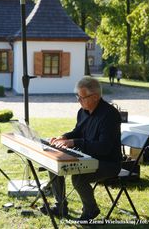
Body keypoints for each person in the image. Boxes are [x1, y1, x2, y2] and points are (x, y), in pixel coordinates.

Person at [44, 77, 122, 221]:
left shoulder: (110, 115)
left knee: (79, 177)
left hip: (108, 163)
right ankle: (60, 206)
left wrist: (75, 142)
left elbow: (104, 147)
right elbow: (78, 131)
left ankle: (91, 210)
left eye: (82, 97)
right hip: (88, 157)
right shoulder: (83, 111)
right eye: (77, 96)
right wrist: (64, 137)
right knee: (55, 164)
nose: (78, 100)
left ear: (96, 97)